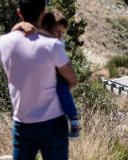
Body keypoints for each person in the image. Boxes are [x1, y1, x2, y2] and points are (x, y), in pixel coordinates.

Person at [0, 0, 78, 160]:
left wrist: (16, 27)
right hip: (52, 121)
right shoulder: (52, 46)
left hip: (22, 121)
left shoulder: (3, 42)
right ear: (43, 13)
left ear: (19, 13)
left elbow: (13, 46)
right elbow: (72, 79)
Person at [13, 9, 80, 139]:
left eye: (62, 33)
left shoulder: (56, 44)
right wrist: (20, 25)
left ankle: (73, 120)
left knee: (62, 89)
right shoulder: (36, 38)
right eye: (57, 32)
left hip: (55, 78)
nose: (60, 36)